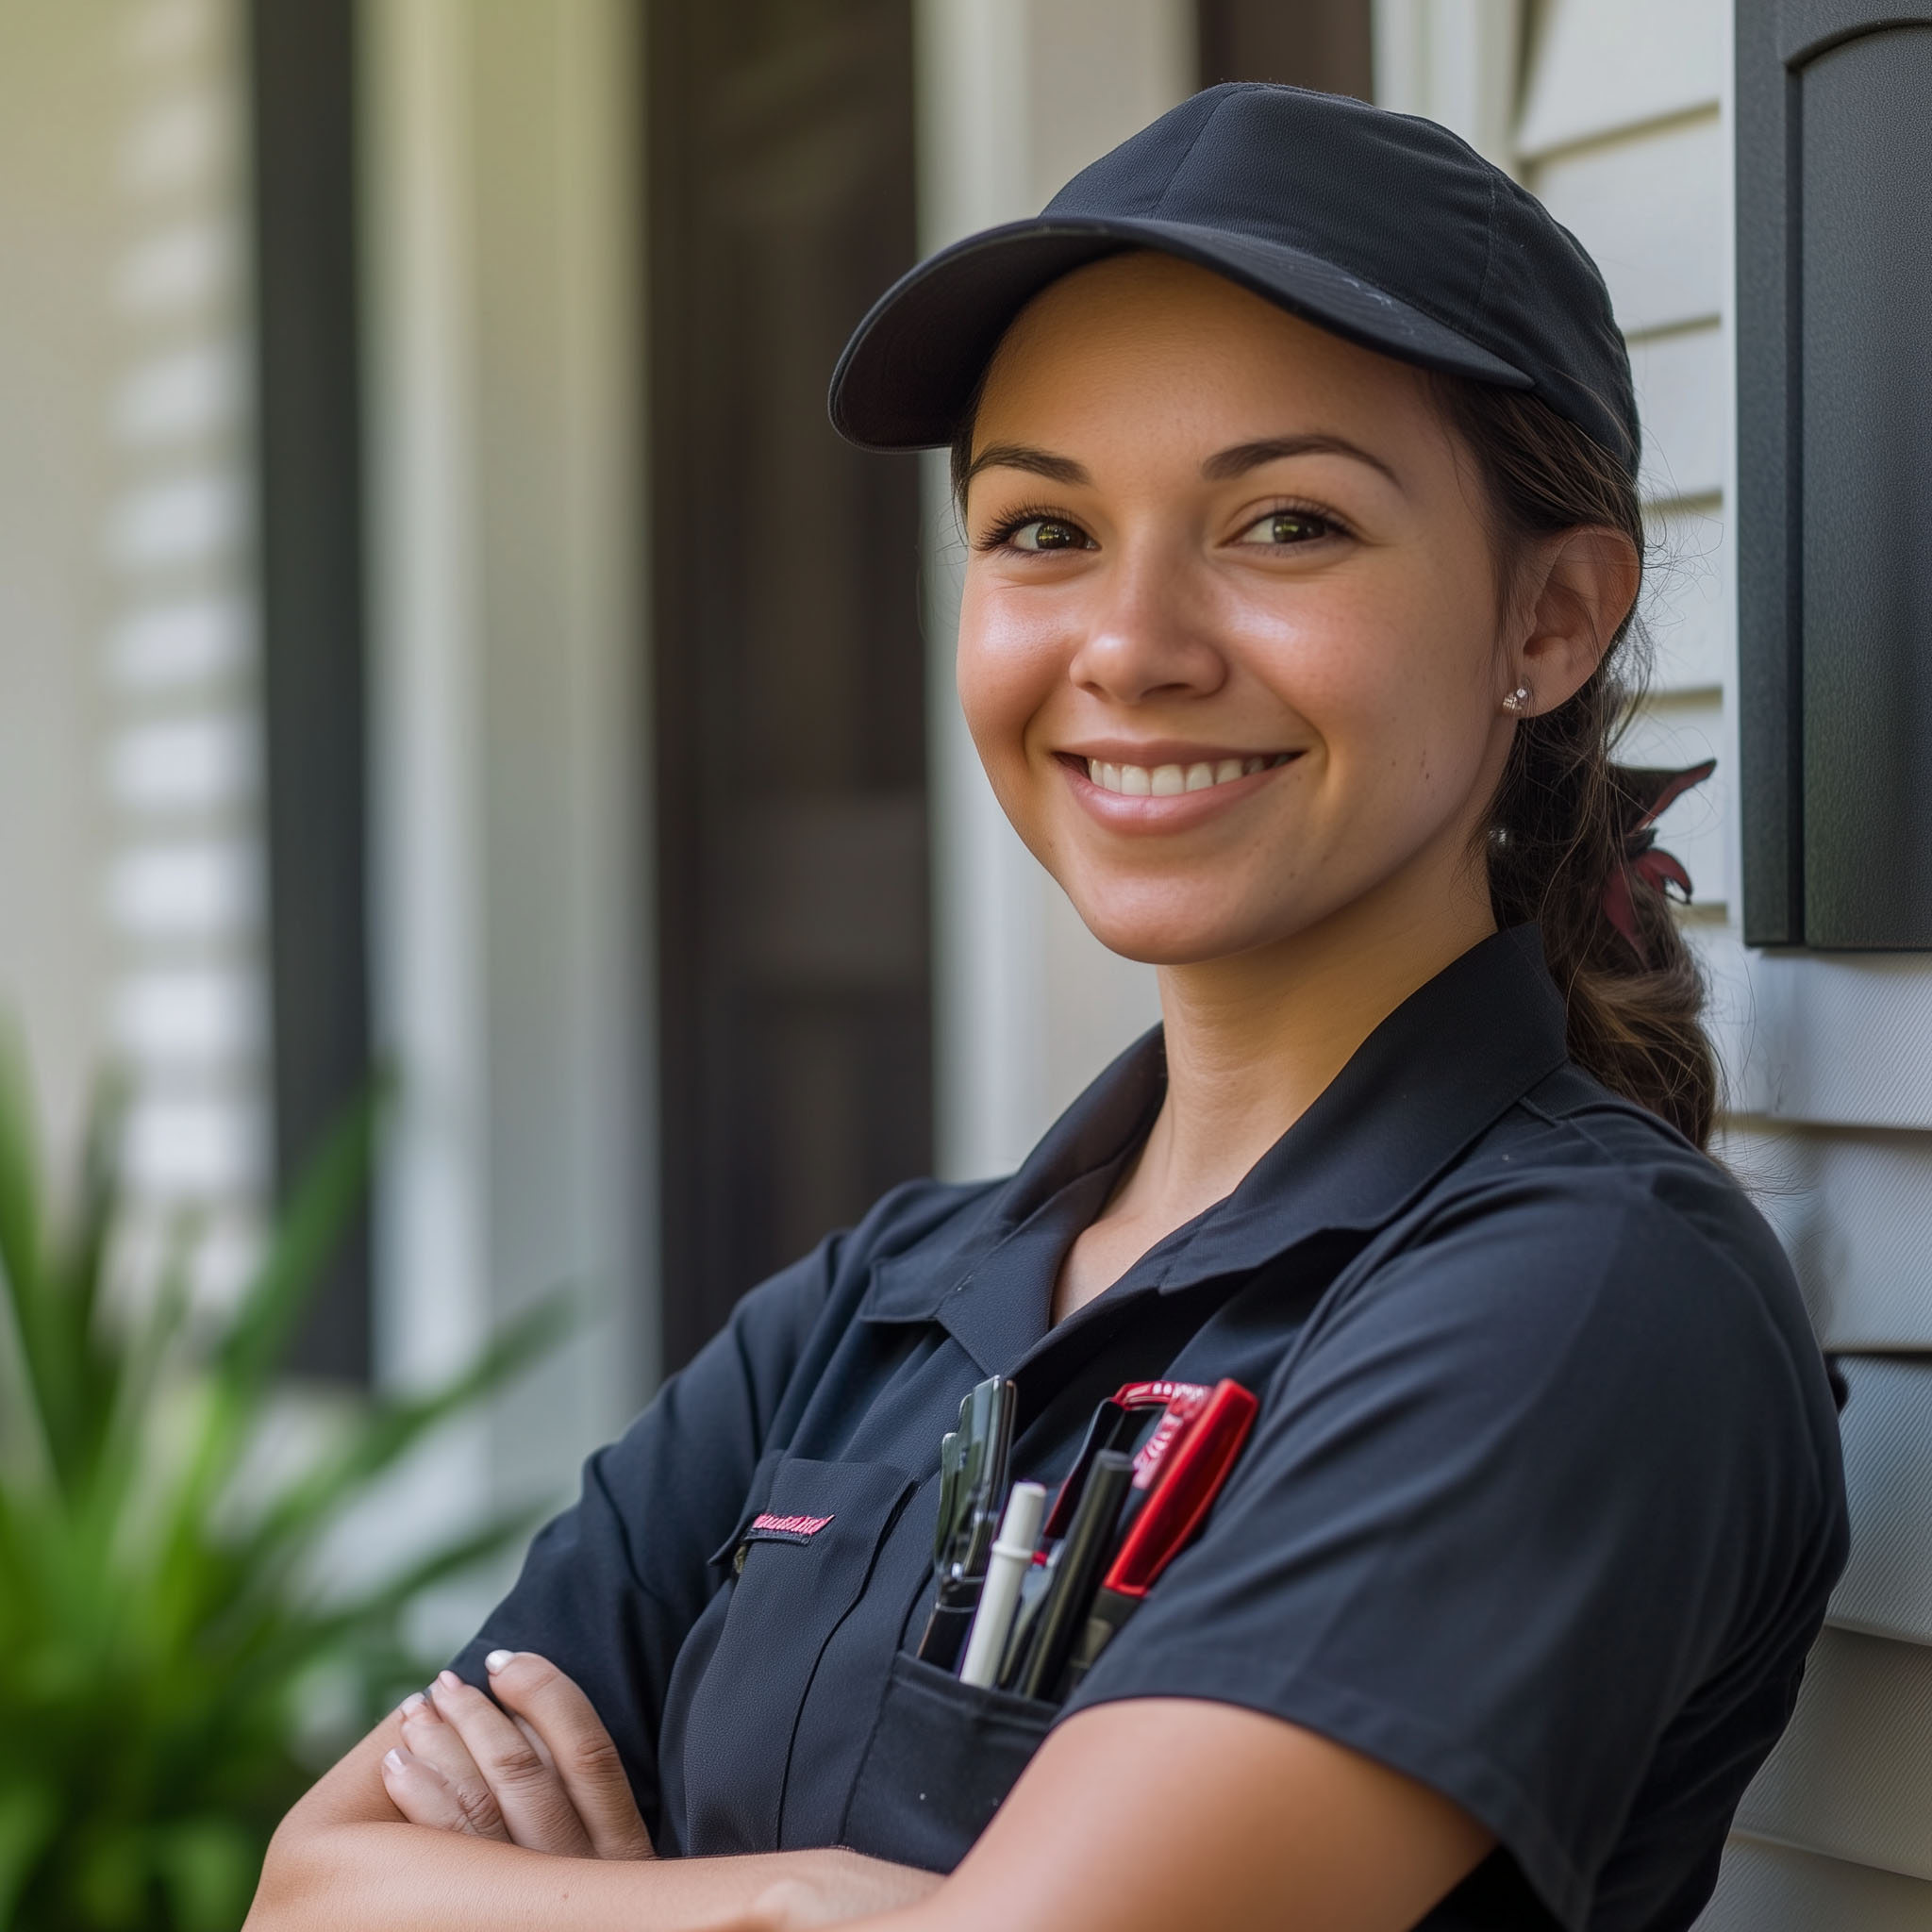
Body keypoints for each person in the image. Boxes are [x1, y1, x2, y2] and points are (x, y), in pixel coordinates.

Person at [245, 84, 1847, 1932]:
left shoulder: (1574, 1299)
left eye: (1286, 522)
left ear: (1548, 621)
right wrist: (800, 1908)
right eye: (1040, 530)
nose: (1130, 646)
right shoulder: (869, 1310)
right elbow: (310, 1887)